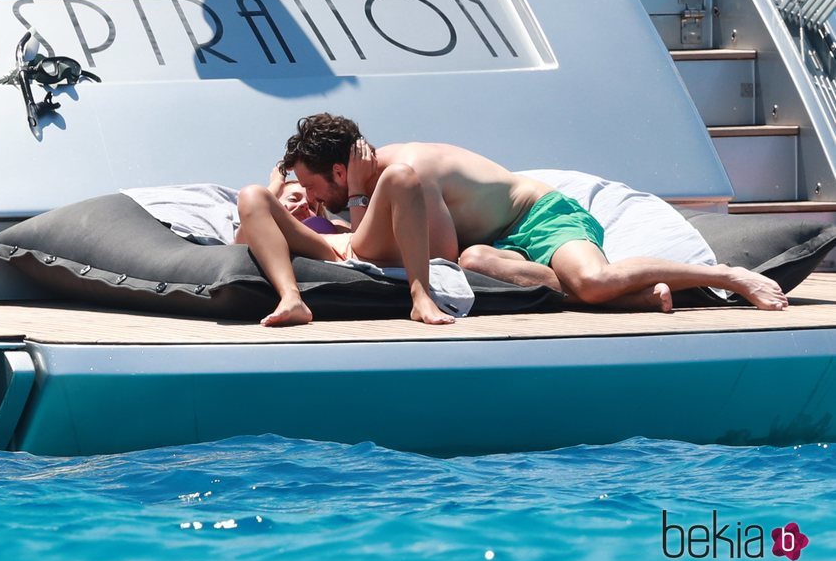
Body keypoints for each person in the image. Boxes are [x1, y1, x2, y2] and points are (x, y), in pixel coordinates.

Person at [280, 113, 789, 312]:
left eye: (312, 185)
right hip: (497, 242)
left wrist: (353, 211)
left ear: (342, 172)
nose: (313, 198)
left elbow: (439, 255)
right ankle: (631, 296)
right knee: (480, 262)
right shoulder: (371, 185)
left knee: (591, 281)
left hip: (541, 217)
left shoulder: (406, 172)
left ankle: (728, 276)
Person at [234, 158, 457, 327]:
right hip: (324, 250)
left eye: (312, 205)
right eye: (294, 198)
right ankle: (292, 298)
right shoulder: (265, 221)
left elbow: (360, 233)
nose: (304, 205)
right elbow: (243, 237)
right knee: (251, 193)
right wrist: (276, 183)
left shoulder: (335, 227)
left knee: (400, 174)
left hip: (354, 247)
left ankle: (421, 297)